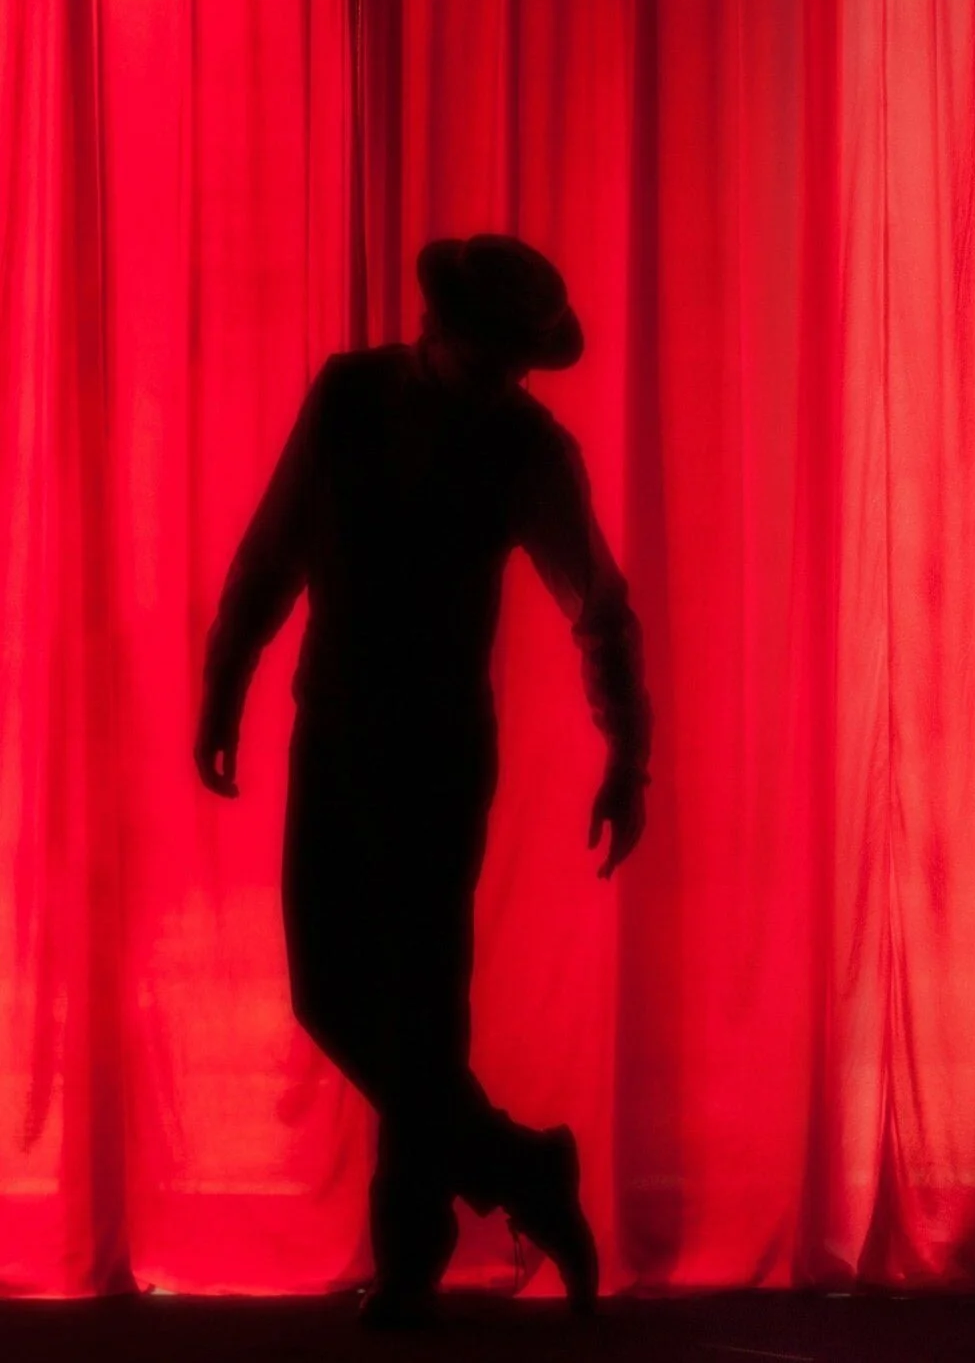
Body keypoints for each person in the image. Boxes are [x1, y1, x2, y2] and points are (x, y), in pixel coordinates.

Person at [195, 234, 648, 1329]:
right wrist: (226, 678)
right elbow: (275, 547)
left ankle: (411, 1261)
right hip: (337, 721)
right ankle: (522, 1167)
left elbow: (598, 604)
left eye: (516, 361)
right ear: (440, 329)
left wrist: (627, 751)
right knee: (333, 992)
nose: (504, 377)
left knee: (421, 1008)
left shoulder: (526, 445)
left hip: (440, 743)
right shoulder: (349, 394)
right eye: (491, 353)